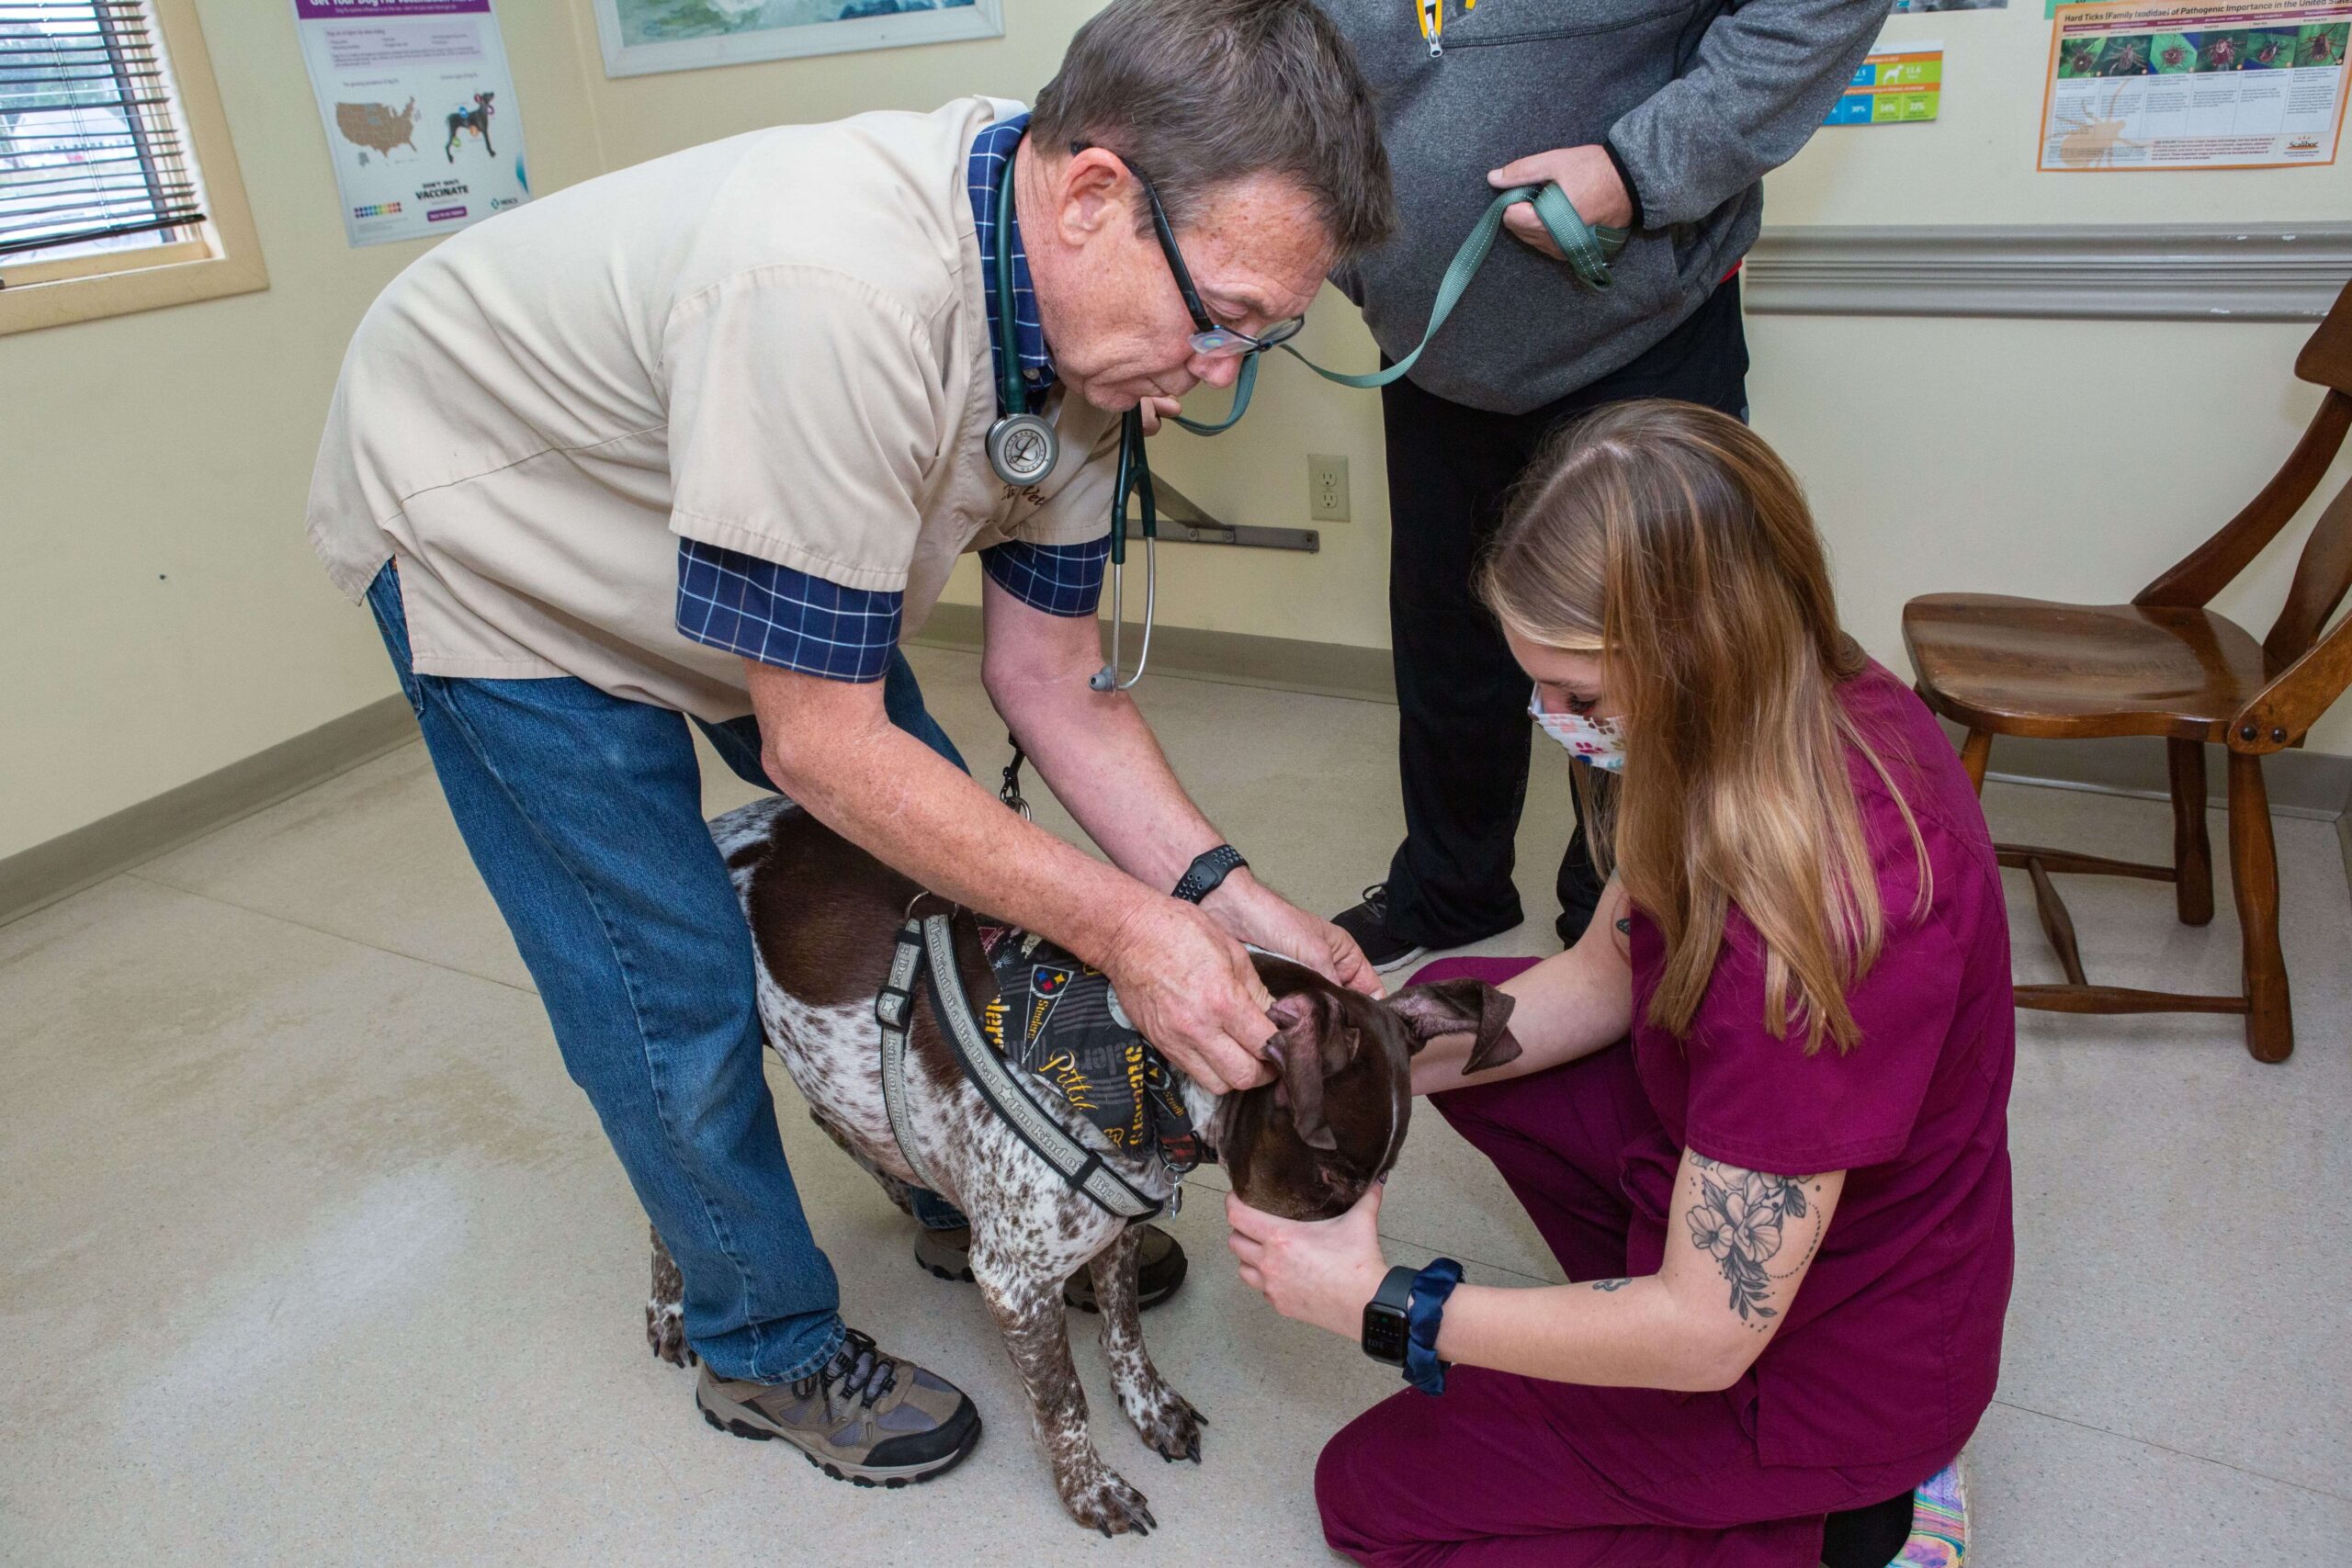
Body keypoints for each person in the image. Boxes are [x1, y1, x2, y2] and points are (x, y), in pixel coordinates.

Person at [304, 0, 1392, 1488]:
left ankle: (964, 1173)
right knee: (670, 973)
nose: (1221, 371)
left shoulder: (1085, 349)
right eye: (1226, 318)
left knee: (939, 873)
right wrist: (1130, 926)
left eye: (1260, 340)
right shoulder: (833, 289)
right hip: (500, 544)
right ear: (1093, 199)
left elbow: (1054, 679)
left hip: (727, 541)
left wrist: (1226, 896)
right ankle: (761, 1342)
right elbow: (821, 746)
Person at [1228, 402, 2012, 1566]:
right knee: (1457, 1003)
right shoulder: (1762, 714)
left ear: (1698, 655)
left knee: (1371, 1500)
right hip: (1772, 1238)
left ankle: (1858, 1518)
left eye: (1581, 699)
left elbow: (1707, 1332)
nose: (1551, 725)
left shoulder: (1822, 905)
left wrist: (1382, 1303)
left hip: (1820, 1365)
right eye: (1538, 688)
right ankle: (1658, 1376)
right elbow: (1605, 969)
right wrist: (1361, 1047)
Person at [1315, 0, 1891, 970]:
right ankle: (1449, 890)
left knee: (1650, 654)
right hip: (1432, 357)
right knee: (1447, 640)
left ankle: (1625, 913)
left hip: (1641, 337)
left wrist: (1636, 171)